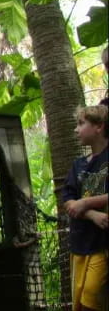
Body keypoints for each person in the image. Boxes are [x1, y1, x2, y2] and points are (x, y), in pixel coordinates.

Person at [63, 104, 108, 311]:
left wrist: (86, 202)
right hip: (80, 241)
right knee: (80, 302)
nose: (76, 129)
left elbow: (80, 202)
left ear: (99, 127)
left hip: (102, 244)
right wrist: (90, 213)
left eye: (81, 124)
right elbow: (68, 200)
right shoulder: (78, 165)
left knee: (92, 294)